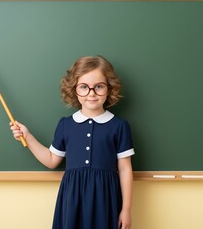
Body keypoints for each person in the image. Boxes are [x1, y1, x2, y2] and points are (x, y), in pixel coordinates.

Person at [10, 56, 135, 229]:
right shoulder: (65, 125)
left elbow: (125, 168)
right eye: (84, 87)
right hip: (72, 199)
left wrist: (126, 209)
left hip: (105, 198)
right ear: (74, 89)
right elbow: (52, 160)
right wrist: (28, 137)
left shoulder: (119, 126)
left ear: (109, 88)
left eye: (99, 86)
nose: (91, 93)